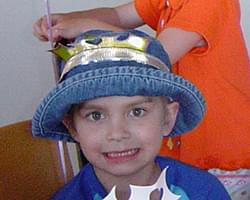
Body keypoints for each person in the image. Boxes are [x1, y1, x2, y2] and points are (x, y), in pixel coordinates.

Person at [32, 1, 250, 198]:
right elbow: (116, 15)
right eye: (96, 115)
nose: (116, 133)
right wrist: (70, 20)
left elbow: (157, 55)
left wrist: (89, 28)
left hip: (222, 155)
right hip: (184, 148)